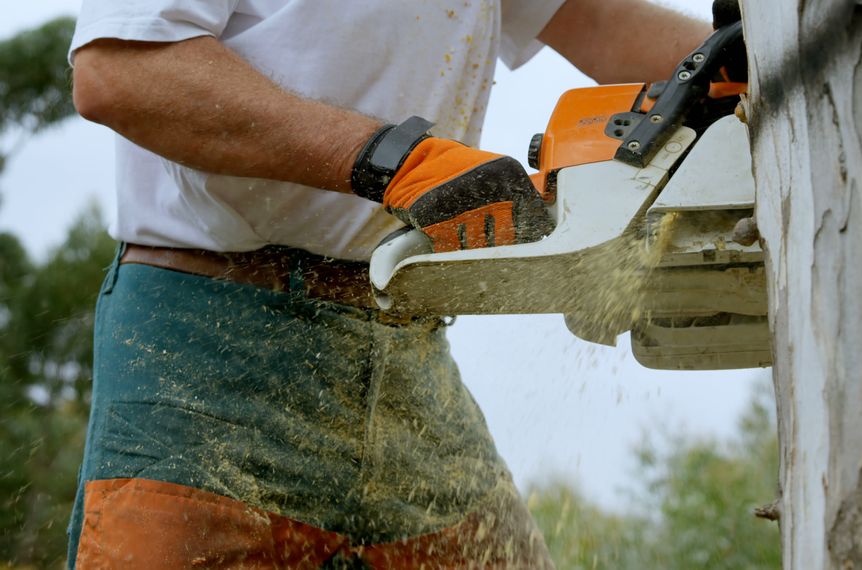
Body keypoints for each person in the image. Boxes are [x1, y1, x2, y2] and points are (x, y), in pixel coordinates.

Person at [65, 0, 733, 567]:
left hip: (403, 337)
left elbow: (593, 20)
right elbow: (122, 69)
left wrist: (740, 62)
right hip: (209, 343)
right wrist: (396, 160)